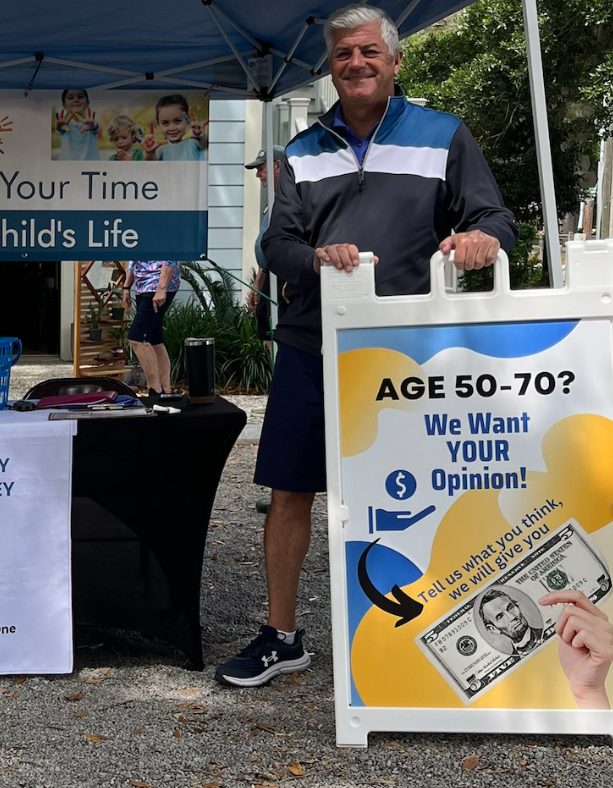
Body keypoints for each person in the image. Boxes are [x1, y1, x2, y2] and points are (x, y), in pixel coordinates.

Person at [214, 3, 519, 688]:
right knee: (290, 491)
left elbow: (494, 215)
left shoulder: (444, 135)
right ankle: (281, 636)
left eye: (368, 52)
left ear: (394, 61)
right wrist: (315, 257)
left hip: (405, 352)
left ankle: (433, 635)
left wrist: (482, 239)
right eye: (343, 54)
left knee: (419, 496)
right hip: (310, 346)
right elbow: (276, 245)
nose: (355, 63)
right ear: (329, 67)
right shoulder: (300, 149)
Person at [244, 146, 286, 350]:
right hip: (270, 275)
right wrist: (258, 283)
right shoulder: (272, 202)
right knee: (266, 334)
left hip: (285, 277)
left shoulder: (294, 199)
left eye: (261, 168)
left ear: (278, 165)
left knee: (279, 335)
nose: (258, 174)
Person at [121, 261, 180, 395]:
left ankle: (154, 390)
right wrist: (126, 288)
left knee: (136, 338)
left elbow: (170, 257)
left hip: (157, 287)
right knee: (155, 341)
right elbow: (133, 259)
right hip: (142, 286)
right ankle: (165, 390)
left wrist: (161, 289)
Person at [478, 588, 545, 657]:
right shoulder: (513, 661)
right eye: (500, 616)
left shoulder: (550, 632)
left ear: (517, 607)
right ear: (493, 629)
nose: (512, 617)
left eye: (510, 608)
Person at [142, 94, 208, 161]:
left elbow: (204, 143)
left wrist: (201, 136)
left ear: (188, 119)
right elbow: (151, 159)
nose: (172, 128)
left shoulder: (194, 142)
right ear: (159, 124)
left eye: (177, 121)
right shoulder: (161, 148)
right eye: (165, 123)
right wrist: (149, 152)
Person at [56, 89, 100, 161]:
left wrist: (92, 126)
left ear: (87, 103)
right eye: (70, 98)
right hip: (68, 166)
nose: (76, 100)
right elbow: (60, 129)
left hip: (91, 165)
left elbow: (95, 126)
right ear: (64, 105)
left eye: (80, 96)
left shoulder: (93, 120)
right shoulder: (63, 122)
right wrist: (60, 127)